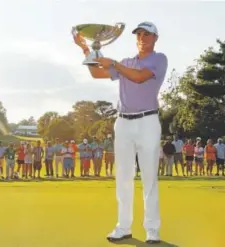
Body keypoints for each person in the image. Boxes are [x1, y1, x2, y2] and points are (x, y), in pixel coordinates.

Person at [74, 21, 168, 243]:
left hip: (148, 120)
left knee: (149, 178)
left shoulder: (159, 59)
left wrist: (113, 62)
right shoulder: (126, 62)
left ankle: (152, 230)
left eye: (147, 34)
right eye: (139, 34)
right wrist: (88, 49)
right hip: (123, 122)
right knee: (123, 178)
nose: (143, 38)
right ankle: (123, 227)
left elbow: (139, 77)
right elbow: (97, 73)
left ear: (155, 38)